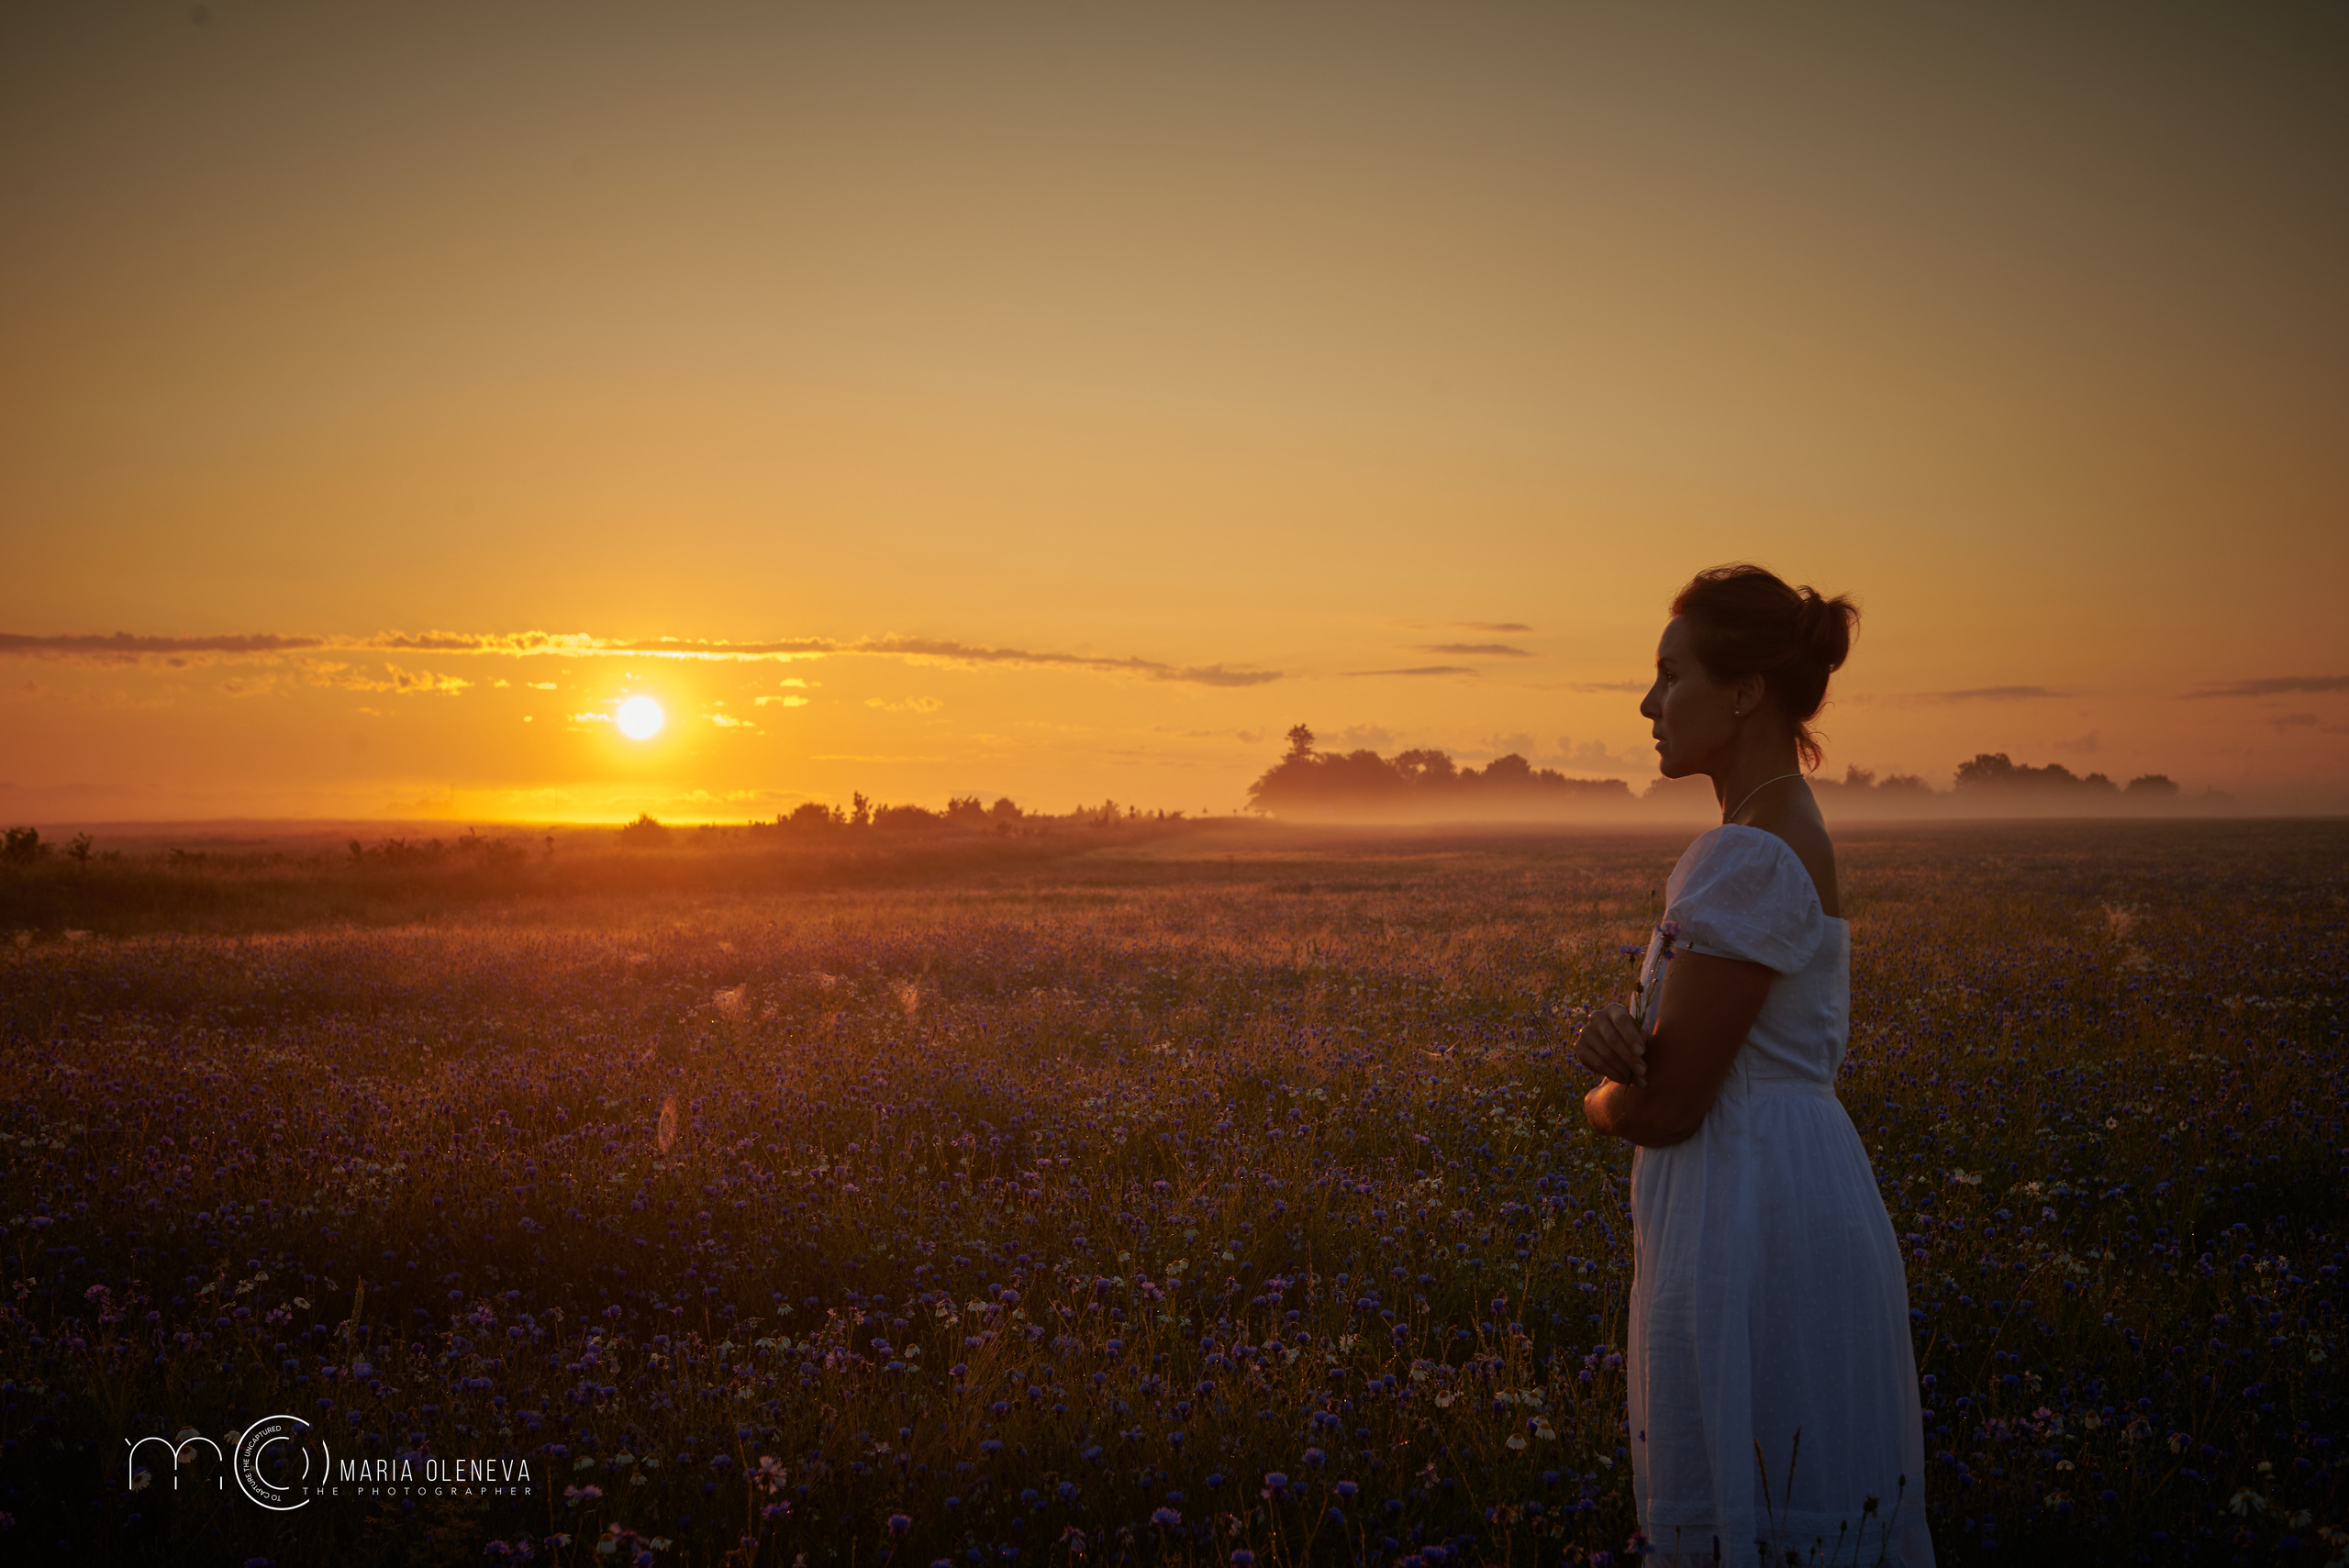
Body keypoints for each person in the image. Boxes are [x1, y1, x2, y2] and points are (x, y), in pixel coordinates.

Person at [1575, 564, 1932, 1567]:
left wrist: (1601, 1095)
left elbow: (1670, 1104)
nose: (1649, 703)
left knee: (1756, 1495)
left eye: (1670, 675)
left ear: (1743, 692)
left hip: (1746, 1209)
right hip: (1788, 1178)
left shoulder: (1746, 853)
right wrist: (1637, 1058)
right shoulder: (1779, 836)